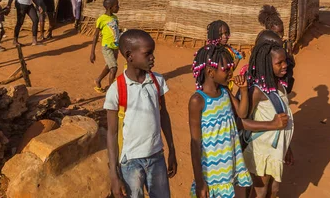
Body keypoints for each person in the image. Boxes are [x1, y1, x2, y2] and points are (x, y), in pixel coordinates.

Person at [104, 29, 177, 198]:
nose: (153, 58)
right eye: (147, 53)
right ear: (130, 55)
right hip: (130, 162)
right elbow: (112, 133)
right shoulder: (116, 90)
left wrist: (172, 149)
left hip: (157, 157)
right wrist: (114, 175)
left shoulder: (157, 81)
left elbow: (163, 115)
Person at [188, 43, 252, 198]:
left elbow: (242, 113)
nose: (231, 72)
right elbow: (195, 143)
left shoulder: (225, 92)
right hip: (211, 172)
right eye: (226, 69)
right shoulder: (198, 100)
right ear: (210, 72)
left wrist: (243, 90)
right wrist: (200, 181)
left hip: (229, 164)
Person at [242, 41, 293, 198]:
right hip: (262, 151)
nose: (284, 65)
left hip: (276, 150)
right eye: (279, 63)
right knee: (260, 192)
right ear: (266, 65)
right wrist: (272, 124)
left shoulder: (280, 86)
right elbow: (242, 122)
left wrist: (287, 148)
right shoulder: (257, 91)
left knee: (274, 190)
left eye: (285, 61)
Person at [258, 5, 295, 93]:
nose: (281, 35)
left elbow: (290, 66)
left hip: (280, 83)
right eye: (277, 32)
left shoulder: (283, 46)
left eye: (282, 31)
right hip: (267, 84)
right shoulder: (263, 46)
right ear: (269, 31)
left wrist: (289, 53)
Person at [90, 0, 121, 93]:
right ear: (110, 7)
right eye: (117, 6)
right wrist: (92, 52)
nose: (118, 7)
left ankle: (98, 80)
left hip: (115, 46)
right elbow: (95, 36)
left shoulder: (115, 18)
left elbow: (115, 31)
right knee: (114, 68)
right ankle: (112, 93)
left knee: (109, 65)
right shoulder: (101, 19)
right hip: (107, 47)